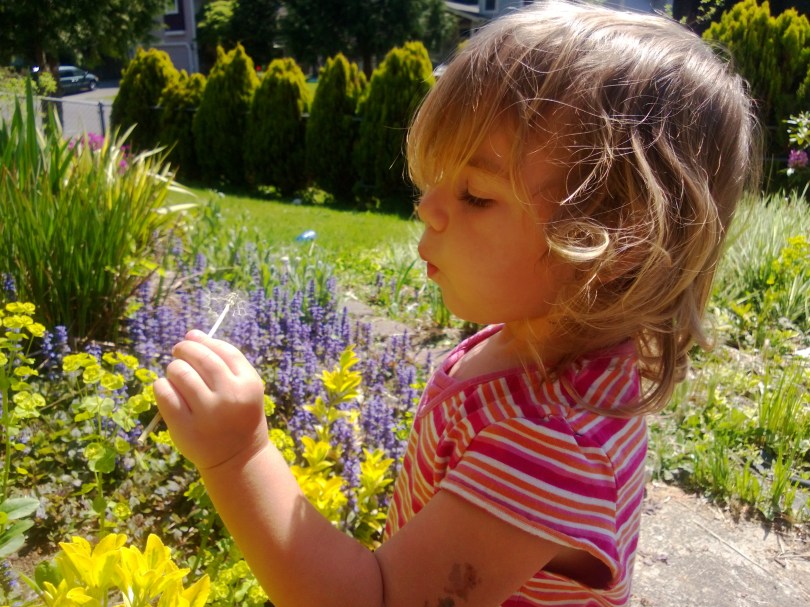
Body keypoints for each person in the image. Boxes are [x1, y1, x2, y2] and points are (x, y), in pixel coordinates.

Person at [153, 1, 760, 605]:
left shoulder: (546, 442)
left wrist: (239, 454)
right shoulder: (523, 340)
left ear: (612, 242)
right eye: (437, 178)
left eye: (473, 193)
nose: (427, 207)